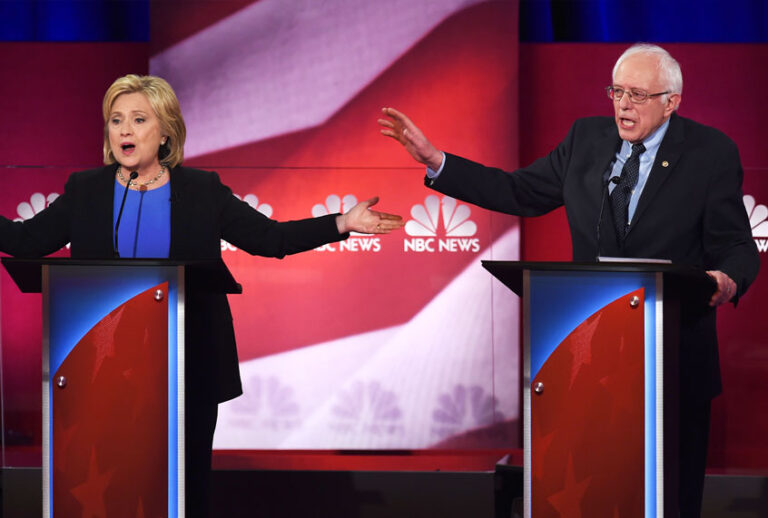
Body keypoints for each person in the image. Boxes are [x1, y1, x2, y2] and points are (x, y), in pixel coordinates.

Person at [378, 43, 759, 517]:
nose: (623, 104)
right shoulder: (587, 140)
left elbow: (737, 245)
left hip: (671, 362)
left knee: (668, 500)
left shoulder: (709, 152)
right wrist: (438, 160)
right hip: (588, 362)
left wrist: (727, 279)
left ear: (671, 102)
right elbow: (519, 191)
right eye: (617, 91)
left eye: (638, 95)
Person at [0, 74, 403, 517]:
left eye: (138, 119)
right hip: (100, 373)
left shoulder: (201, 191)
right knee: (109, 490)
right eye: (116, 121)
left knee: (182, 492)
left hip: (183, 366)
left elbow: (269, 239)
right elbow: (25, 241)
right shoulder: (86, 190)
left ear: (166, 130)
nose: (125, 131)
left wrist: (340, 224)